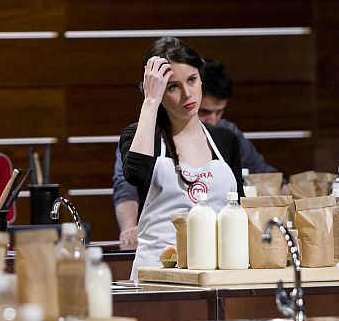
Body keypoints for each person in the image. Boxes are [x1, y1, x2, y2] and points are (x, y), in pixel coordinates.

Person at [114, 57, 273, 250]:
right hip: (160, 258)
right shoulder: (144, 136)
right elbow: (128, 184)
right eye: (206, 111)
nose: (213, 120)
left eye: (220, 112)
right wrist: (130, 227)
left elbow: (261, 176)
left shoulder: (226, 136)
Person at [120, 38, 243, 279]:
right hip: (156, 276)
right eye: (173, 86)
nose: (188, 93)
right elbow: (135, 174)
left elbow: (238, 206)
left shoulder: (225, 140)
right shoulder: (141, 135)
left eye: (192, 80)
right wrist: (150, 102)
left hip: (215, 276)